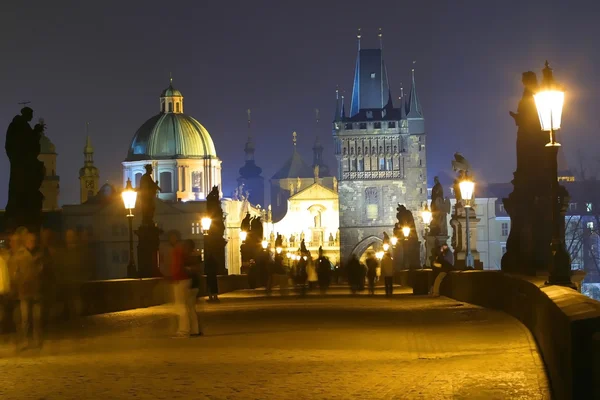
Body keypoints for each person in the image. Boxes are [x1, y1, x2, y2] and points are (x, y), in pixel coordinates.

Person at [11, 230, 44, 349]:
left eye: (34, 240)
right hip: (24, 292)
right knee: (25, 318)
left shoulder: (40, 254)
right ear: (25, 242)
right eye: (30, 240)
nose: (32, 242)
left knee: (37, 318)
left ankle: (37, 340)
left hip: (36, 292)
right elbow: (15, 274)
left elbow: (43, 272)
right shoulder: (19, 255)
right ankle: (25, 340)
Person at [169, 231, 201, 338]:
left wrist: (175, 276)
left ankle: (183, 330)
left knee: (181, 305)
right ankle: (194, 330)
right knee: (190, 307)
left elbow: (178, 266)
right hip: (189, 281)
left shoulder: (178, 250)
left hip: (181, 280)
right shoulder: (188, 252)